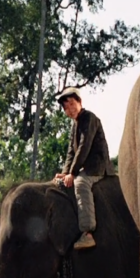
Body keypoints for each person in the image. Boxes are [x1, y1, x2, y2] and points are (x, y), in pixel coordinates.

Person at [54, 87, 115, 250]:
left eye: (72, 104)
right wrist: (65, 172)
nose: (69, 109)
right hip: (85, 166)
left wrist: (73, 174)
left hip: (97, 166)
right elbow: (71, 152)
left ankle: (88, 233)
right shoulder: (75, 125)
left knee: (81, 183)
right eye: (66, 107)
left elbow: (83, 147)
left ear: (80, 102)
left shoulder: (89, 118)